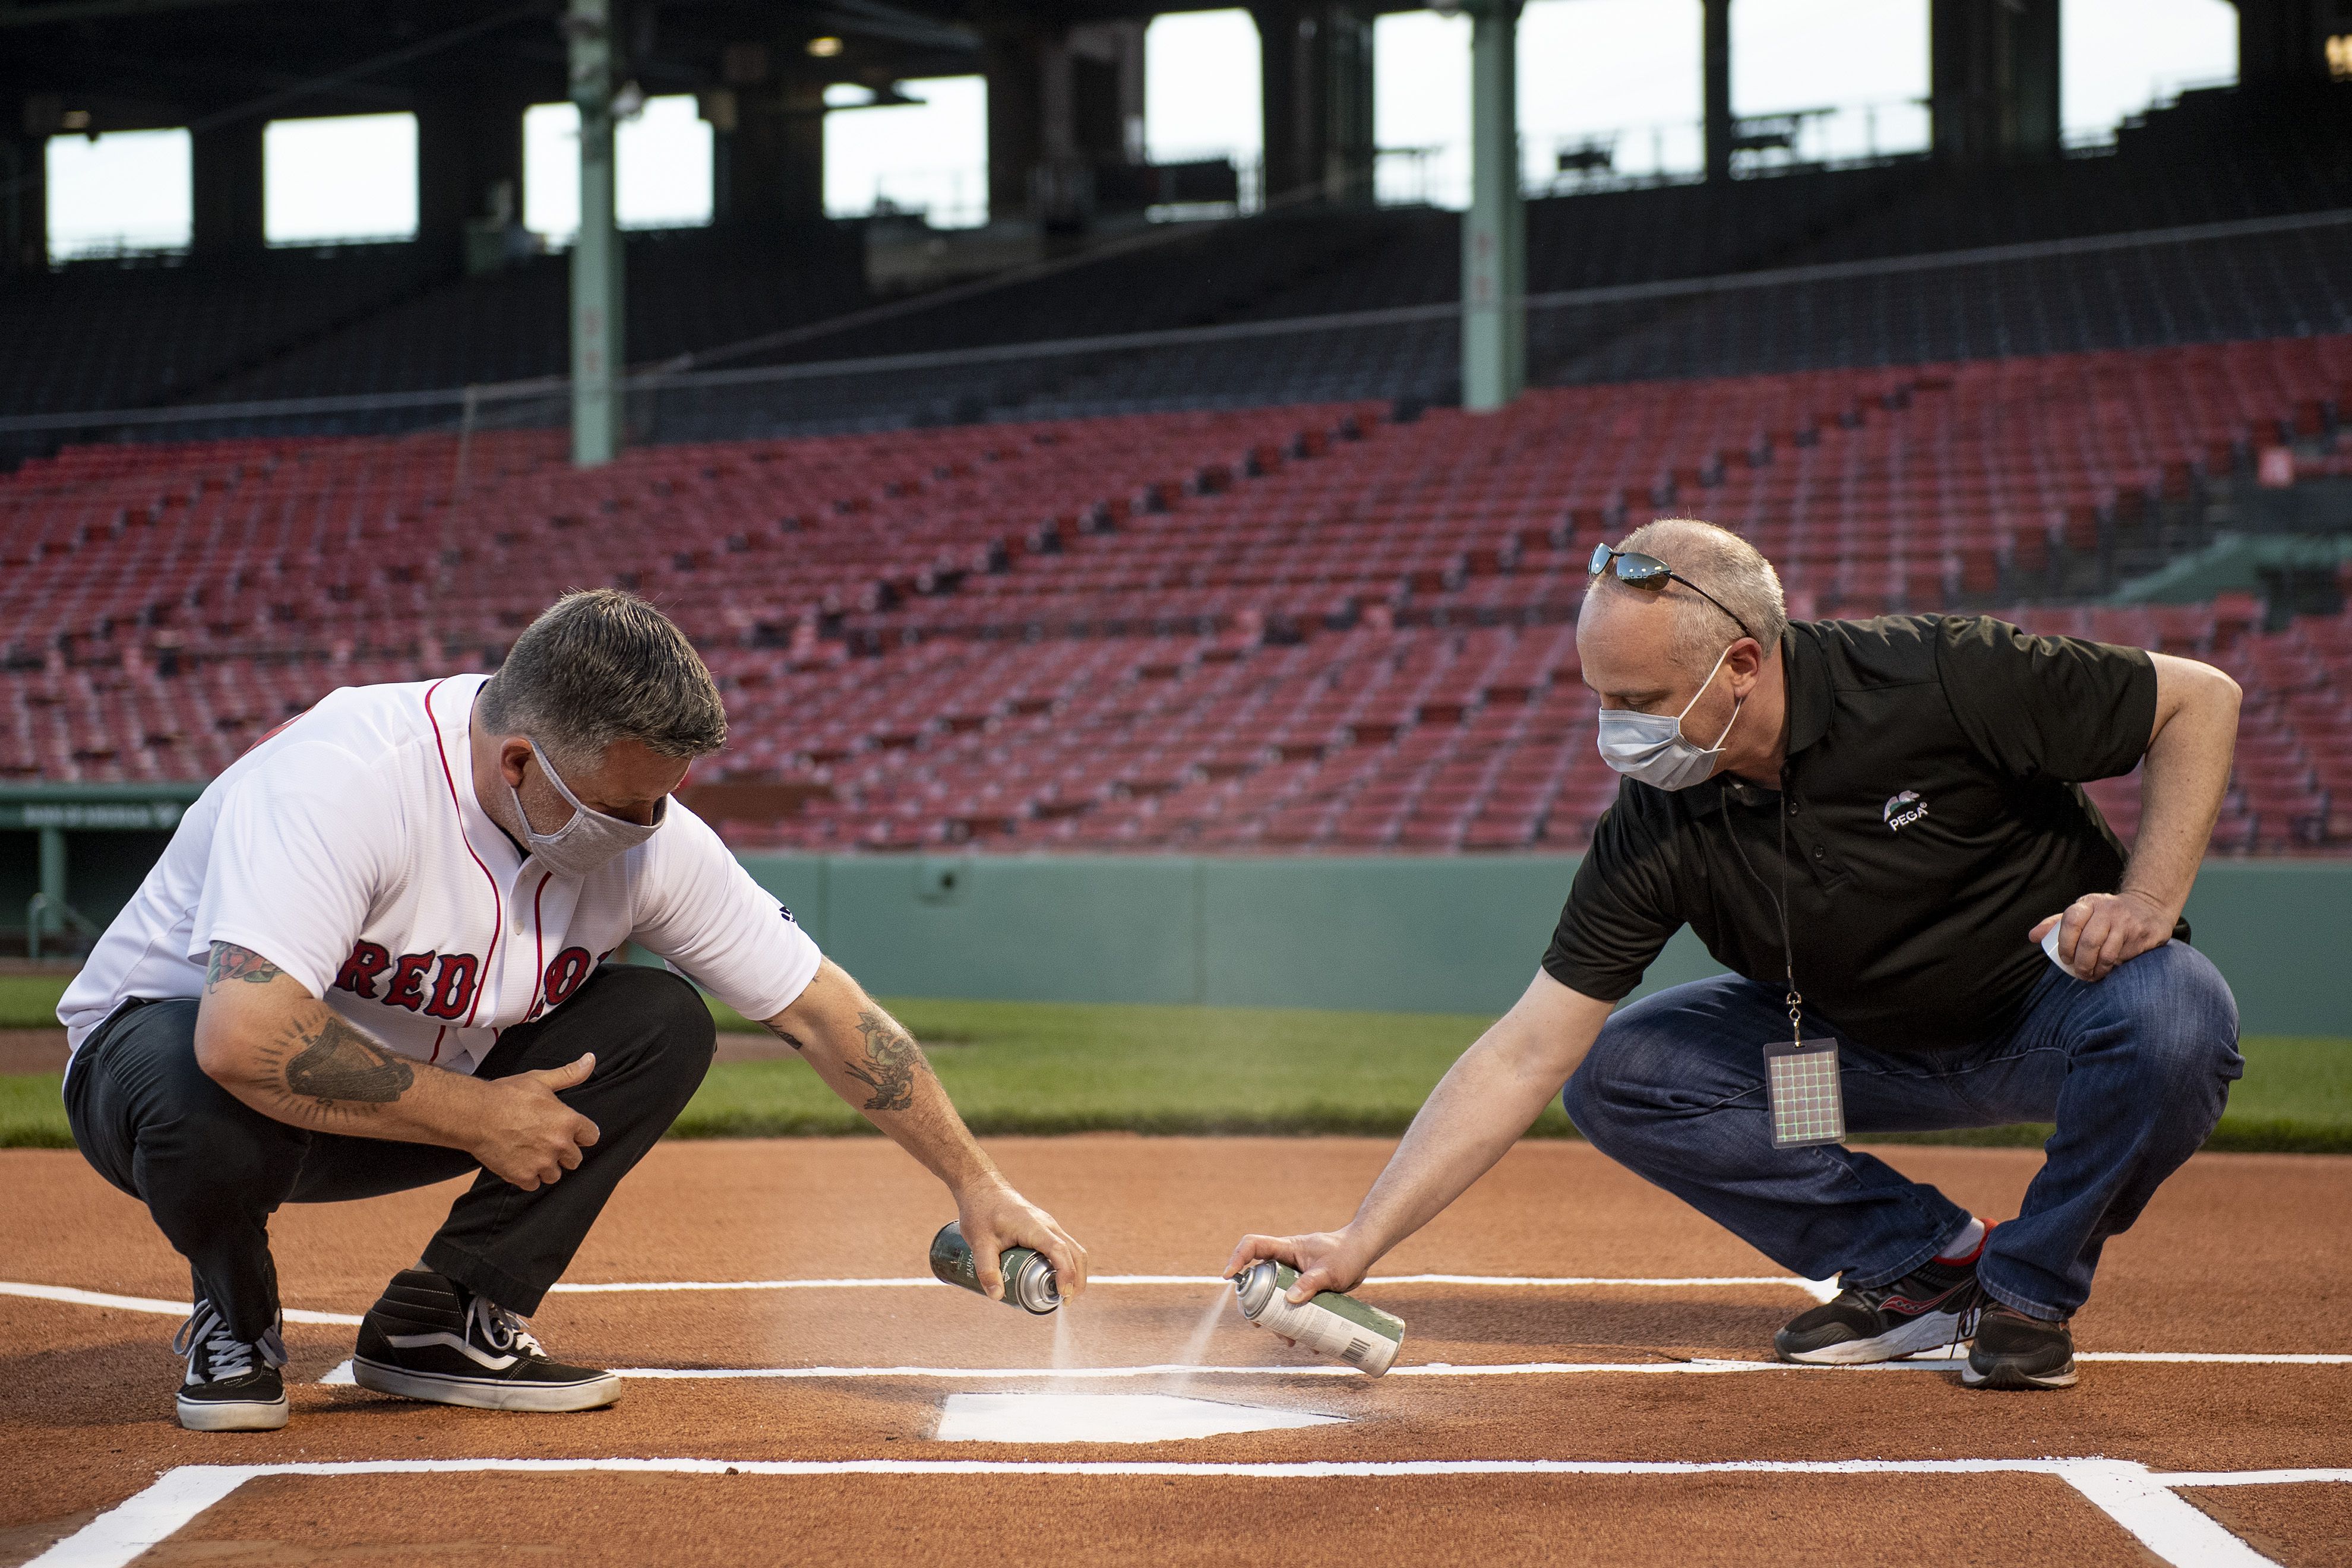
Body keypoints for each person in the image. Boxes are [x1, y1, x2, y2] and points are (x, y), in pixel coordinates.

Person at [1227, 518, 2244, 1391]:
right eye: (1599, 696)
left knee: (2179, 1015)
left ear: (1743, 664)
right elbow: (1529, 1050)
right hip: (1858, 1049)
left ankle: (2027, 1291)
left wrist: (2148, 898)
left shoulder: (1939, 673)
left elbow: (2199, 699)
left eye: (1636, 699)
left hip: (2049, 1019)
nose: (1613, 732)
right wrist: (1361, 1240)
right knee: (1623, 1071)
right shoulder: (1657, 821)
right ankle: (1924, 1267)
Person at [58, 589, 1088, 1431]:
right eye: (625, 803)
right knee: (201, 1079)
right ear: (519, 762)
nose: (647, 828)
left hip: (405, 1101)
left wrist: (975, 1180)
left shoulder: (649, 836)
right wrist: (478, 1117)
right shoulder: (345, 780)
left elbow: (820, 1009)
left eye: (664, 800)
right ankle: (234, 1316)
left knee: (661, 1021)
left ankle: (449, 1316)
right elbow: (245, 1037)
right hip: (170, 1091)